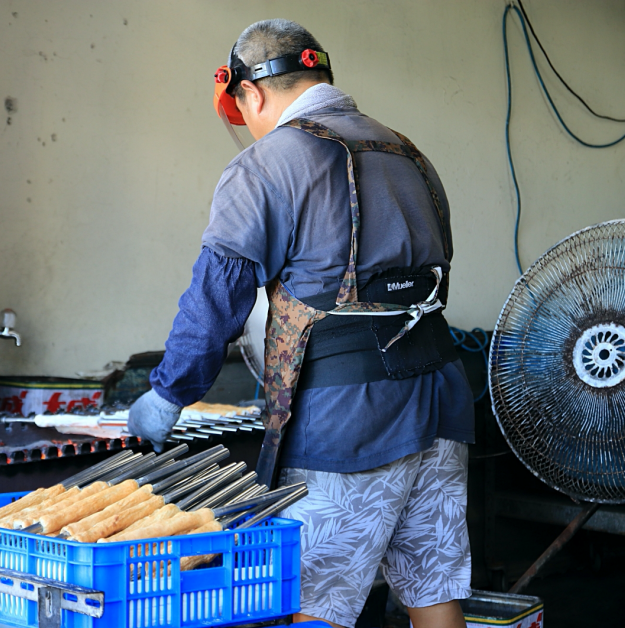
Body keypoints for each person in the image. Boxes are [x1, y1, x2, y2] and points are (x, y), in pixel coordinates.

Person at [127, 19, 474, 628]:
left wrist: (168, 392)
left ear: (251, 94)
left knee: (314, 600)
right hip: (441, 398)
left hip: (350, 420)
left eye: (243, 112)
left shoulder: (269, 164)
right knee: (433, 588)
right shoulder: (408, 153)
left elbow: (217, 296)